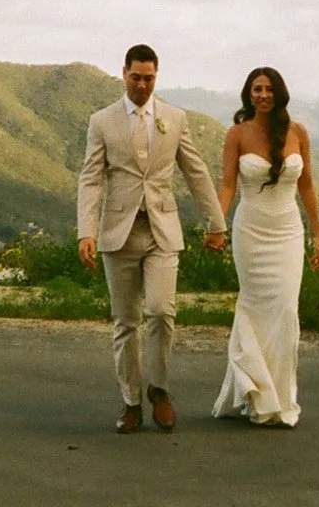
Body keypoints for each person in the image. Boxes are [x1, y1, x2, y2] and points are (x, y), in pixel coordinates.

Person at [77, 44, 227, 433]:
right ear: (123, 74)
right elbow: (92, 179)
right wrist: (86, 232)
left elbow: (196, 171)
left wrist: (216, 223)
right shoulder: (102, 121)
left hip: (162, 230)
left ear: (156, 77)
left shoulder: (174, 119)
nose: (143, 84)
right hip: (119, 232)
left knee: (161, 311)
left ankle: (159, 391)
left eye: (149, 78)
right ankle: (130, 402)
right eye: (136, 77)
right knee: (126, 321)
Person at [212, 66, 319, 428]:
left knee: (287, 312)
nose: (262, 94)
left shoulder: (298, 133)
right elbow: (227, 185)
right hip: (251, 233)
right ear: (248, 94)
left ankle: (280, 397)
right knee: (255, 308)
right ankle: (255, 395)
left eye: (268, 88)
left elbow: (307, 186)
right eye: (256, 88)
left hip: (288, 232)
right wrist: (217, 224)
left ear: (279, 93)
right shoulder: (236, 134)